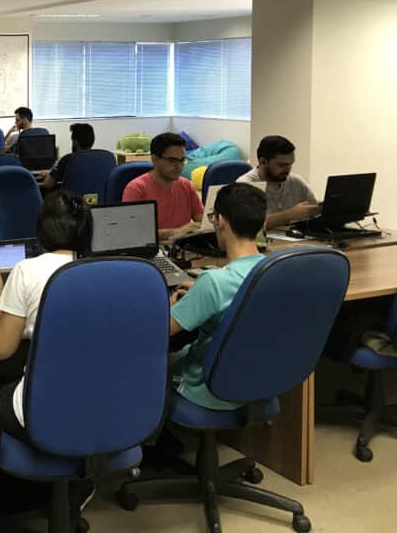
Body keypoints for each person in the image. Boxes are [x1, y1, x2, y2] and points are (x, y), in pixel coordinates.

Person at [0, 192, 94, 520]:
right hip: (97, 404)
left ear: (42, 229)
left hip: (45, 411)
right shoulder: (104, 269)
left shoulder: (26, 270)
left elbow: (3, 348)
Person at [169, 183, 268, 410]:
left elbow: (158, 331)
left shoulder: (214, 283)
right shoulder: (273, 270)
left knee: (153, 362)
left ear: (220, 220)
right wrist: (201, 290)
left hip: (206, 387)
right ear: (263, 222)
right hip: (258, 380)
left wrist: (170, 303)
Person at [123, 132, 203, 240]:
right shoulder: (136, 189)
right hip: (152, 249)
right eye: (172, 160)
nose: (179, 166)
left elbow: (202, 221)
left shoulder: (187, 186)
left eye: (182, 160)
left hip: (183, 247)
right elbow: (134, 232)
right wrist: (176, 232)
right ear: (155, 159)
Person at [238, 135, 320, 229]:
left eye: (290, 164)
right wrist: (289, 215)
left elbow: (315, 209)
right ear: (263, 161)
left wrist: (323, 208)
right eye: (282, 165)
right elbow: (247, 225)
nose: (287, 169)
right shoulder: (245, 186)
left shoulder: (295, 181)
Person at [41, 123, 95, 192]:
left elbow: (48, 185)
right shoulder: (102, 160)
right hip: (97, 198)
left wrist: (47, 176)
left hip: (73, 198)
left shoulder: (68, 159)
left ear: (76, 142)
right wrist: (50, 175)